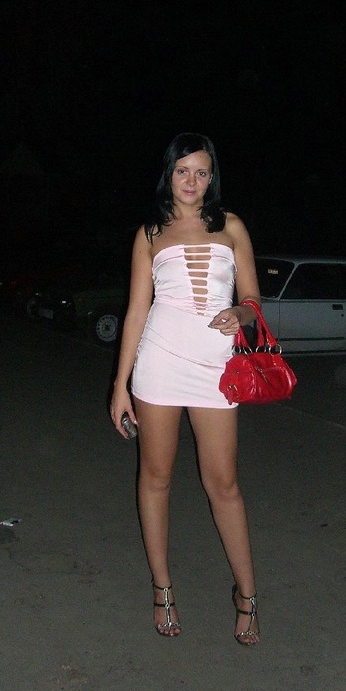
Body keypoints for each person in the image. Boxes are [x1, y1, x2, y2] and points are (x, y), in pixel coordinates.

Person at [110, 132, 261, 646]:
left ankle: (247, 594)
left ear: (211, 177)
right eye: (182, 171)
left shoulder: (231, 226)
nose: (191, 181)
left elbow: (253, 299)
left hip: (215, 366)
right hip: (158, 364)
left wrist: (240, 313)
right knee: (156, 478)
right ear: (169, 174)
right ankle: (162, 588)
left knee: (224, 484)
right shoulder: (150, 233)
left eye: (201, 172)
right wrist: (120, 384)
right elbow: (136, 311)